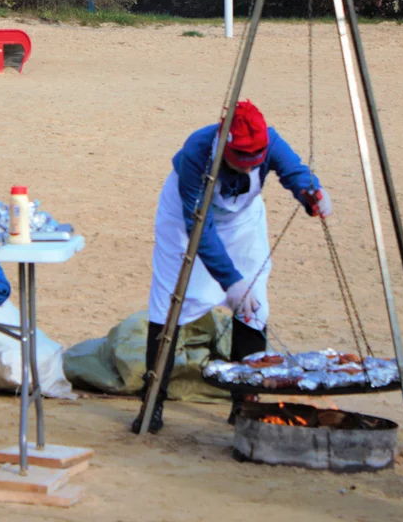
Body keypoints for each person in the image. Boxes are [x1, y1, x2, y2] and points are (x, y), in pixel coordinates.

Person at [132, 100, 331, 434]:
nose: (248, 166)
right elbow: (201, 228)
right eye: (241, 159)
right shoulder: (198, 152)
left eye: (254, 159)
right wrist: (230, 282)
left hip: (242, 223)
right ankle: (152, 402)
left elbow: (294, 171)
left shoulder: (269, 140)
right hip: (186, 223)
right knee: (170, 304)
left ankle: (246, 404)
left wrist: (310, 192)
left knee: (254, 307)